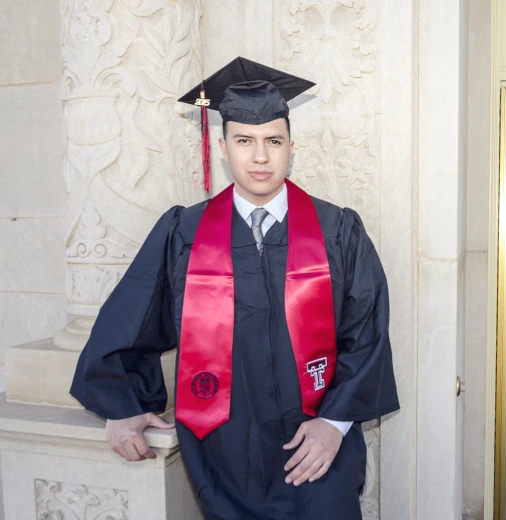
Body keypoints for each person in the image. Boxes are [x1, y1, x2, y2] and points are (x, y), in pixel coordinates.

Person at [70, 57, 399, 520]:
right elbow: (132, 317)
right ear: (222, 146)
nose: (259, 156)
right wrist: (121, 404)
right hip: (223, 454)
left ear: (291, 147)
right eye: (244, 140)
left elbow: (367, 334)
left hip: (317, 449)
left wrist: (334, 422)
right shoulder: (184, 232)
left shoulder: (337, 231)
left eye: (273, 141)